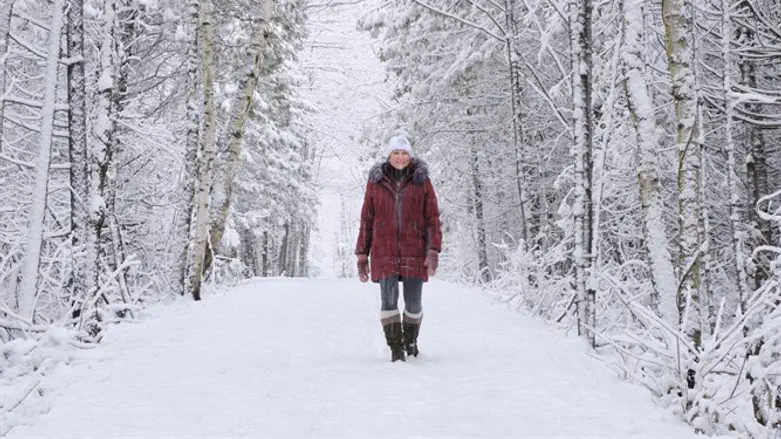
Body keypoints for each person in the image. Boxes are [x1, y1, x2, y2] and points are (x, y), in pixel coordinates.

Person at [355, 135, 442, 362]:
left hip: (415, 248)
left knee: (414, 303)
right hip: (384, 249)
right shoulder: (376, 182)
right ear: (389, 155)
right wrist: (362, 254)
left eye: (404, 153)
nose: (400, 157)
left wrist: (432, 250)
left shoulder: (422, 181)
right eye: (396, 152)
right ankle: (396, 348)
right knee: (389, 300)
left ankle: (411, 344)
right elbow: (367, 218)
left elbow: (432, 218)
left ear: (410, 156)